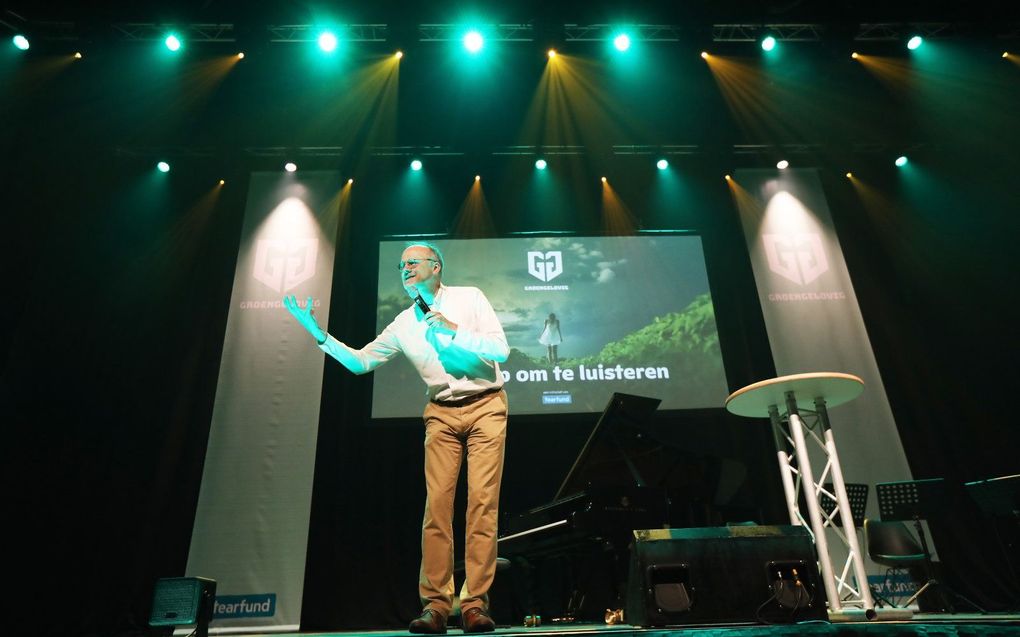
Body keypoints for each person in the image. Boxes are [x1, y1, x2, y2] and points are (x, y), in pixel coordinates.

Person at [283, 241, 509, 635]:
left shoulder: (469, 298)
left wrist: (454, 329)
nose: (404, 268)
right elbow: (361, 361)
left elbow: (500, 350)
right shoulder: (404, 323)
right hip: (440, 412)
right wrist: (319, 336)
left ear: (435, 267)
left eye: (412, 262)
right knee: (436, 509)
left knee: (482, 505)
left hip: (486, 404)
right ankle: (437, 606)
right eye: (400, 265)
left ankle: (474, 605)